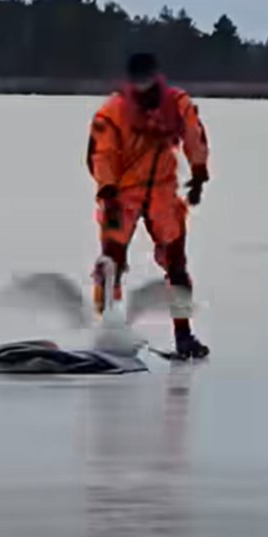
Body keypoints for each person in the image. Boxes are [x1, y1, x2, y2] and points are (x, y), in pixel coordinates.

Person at [86, 51, 211, 360]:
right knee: (112, 265)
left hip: (160, 196)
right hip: (121, 196)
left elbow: (194, 136)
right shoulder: (113, 112)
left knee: (175, 267)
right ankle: (110, 331)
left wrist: (198, 173)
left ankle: (183, 334)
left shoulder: (175, 104)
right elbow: (102, 153)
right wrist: (108, 190)